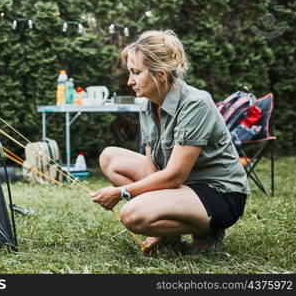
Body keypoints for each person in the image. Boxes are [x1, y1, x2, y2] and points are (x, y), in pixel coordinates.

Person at [91, 30, 250, 256]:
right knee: (110, 158)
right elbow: (152, 169)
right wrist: (154, 214)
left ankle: (209, 231)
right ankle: (169, 231)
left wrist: (122, 193)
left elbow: (175, 175)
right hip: (181, 187)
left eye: (136, 73)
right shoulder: (147, 106)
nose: (130, 81)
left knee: (132, 215)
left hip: (218, 192)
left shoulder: (196, 104)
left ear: (161, 74)